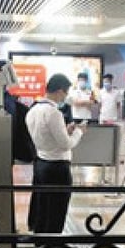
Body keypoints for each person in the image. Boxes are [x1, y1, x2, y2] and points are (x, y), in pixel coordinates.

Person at [26, 74, 85, 233]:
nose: (65, 97)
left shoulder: (33, 110)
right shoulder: (54, 113)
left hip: (41, 163)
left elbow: (46, 137)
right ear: (59, 91)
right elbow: (66, 144)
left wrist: (66, 131)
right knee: (57, 209)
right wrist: (78, 132)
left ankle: (40, 238)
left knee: (43, 206)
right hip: (57, 167)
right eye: (66, 93)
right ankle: (52, 243)